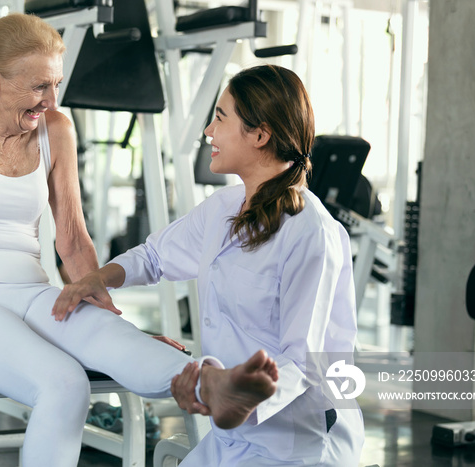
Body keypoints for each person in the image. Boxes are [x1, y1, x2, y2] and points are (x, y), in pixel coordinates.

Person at [0, 13, 278, 467]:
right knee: (64, 384)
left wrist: (111, 323)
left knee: (116, 339)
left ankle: (211, 386)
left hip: (33, 291)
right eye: (40, 86)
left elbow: (73, 241)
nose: (51, 99)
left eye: (56, 84)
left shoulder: (56, 130)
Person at [53, 64, 365, 465]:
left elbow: (304, 363)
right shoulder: (225, 207)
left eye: (220, 118)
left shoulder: (311, 232)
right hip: (229, 434)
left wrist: (240, 393)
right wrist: (97, 279)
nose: (208, 132)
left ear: (260, 134)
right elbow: (153, 256)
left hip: (295, 441)